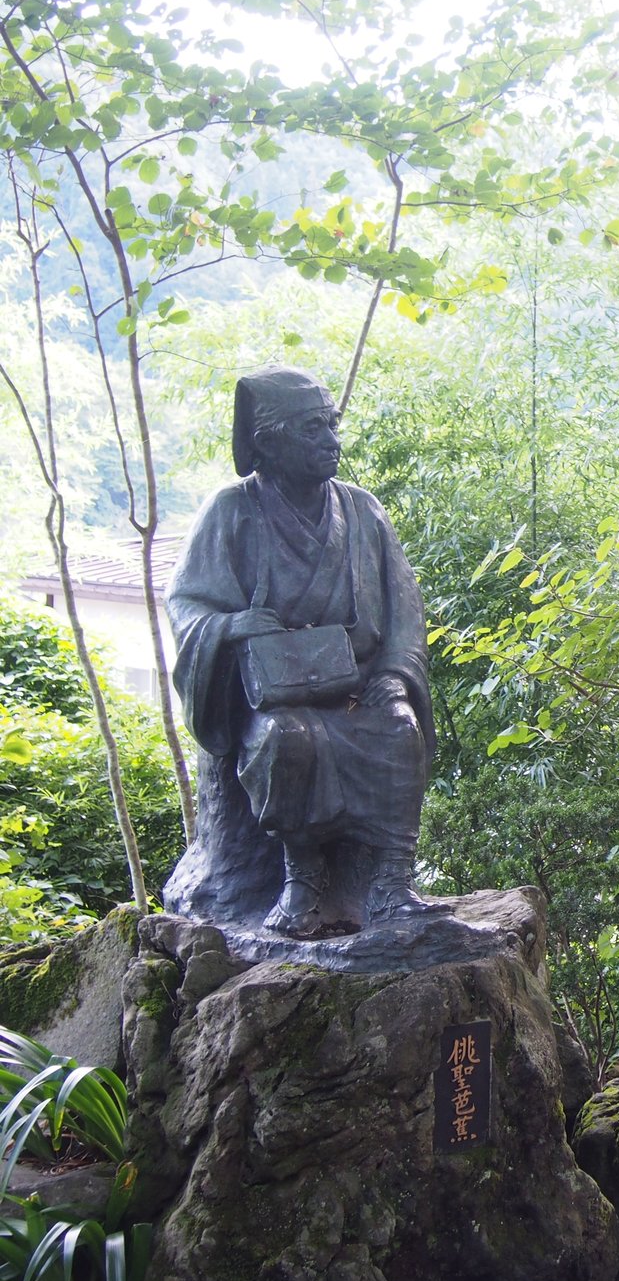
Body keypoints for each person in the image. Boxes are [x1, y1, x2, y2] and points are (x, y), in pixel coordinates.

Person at [165, 364, 445, 936]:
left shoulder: (361, 510)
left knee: (398, 726)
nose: (330, 441)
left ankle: (391, 885)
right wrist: (237, 624)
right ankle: (304, 880)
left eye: (331, 426)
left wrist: (393, 672)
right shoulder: (230, 511)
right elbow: (188, 605)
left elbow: (404, 610)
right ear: (268, 441)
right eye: (312, 429)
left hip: (359, 687)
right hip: (276, 697)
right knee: (283, 740)